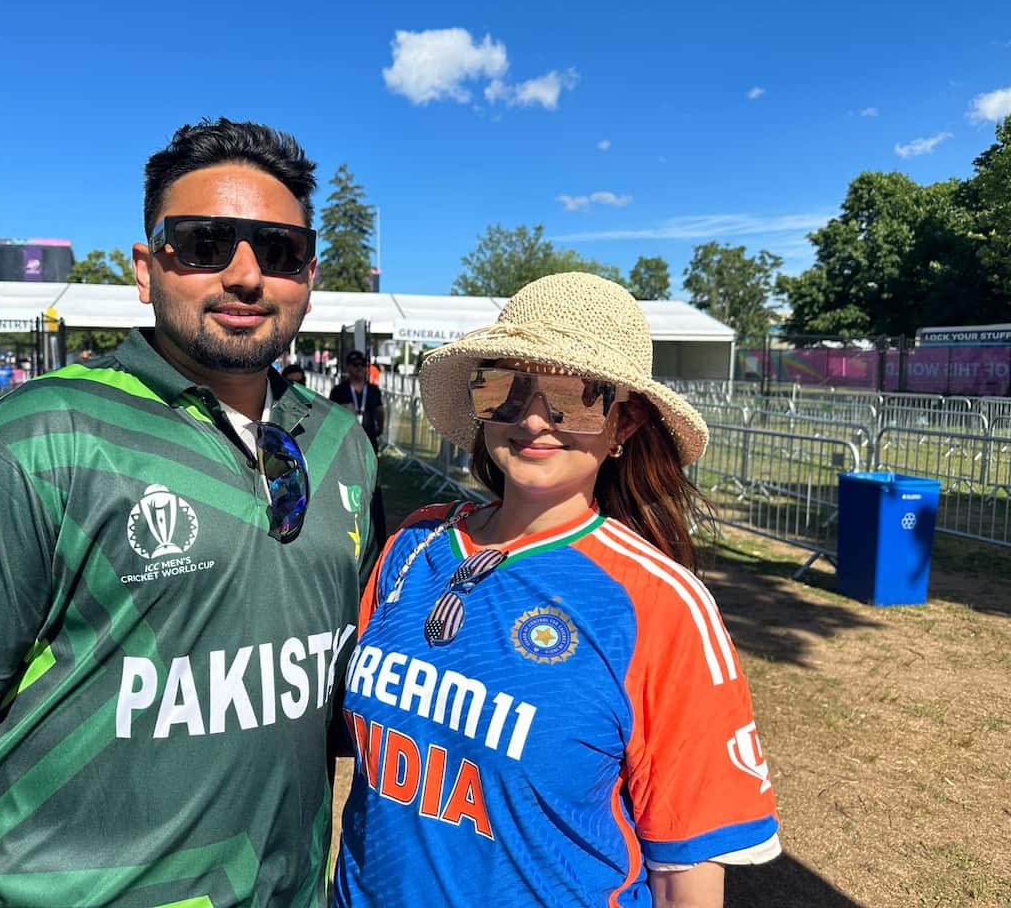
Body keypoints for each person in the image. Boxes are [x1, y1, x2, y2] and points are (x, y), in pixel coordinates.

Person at [0, 119, 380, 908]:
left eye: (277, 251)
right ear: (147, 268)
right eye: (204, 243)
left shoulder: (345, 445)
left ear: (308, 272)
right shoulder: (38, 438)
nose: (245, 275)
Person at [334, 273, 780, 908]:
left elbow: (687, 871)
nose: (534, 417)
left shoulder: (663, 606)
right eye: (505, 387)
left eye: (575, 396)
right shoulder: (415, 542)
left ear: (623, 426)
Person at [330, 349, 387, 547]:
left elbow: (380, 411)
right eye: (356, 365)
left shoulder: (372, 391)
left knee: (373, 490)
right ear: (348, 367)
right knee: (349, 489)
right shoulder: (340, 391)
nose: (360, 369)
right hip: (346, 448)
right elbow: (331, 418)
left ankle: (377, 536)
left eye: (363, 365)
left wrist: (380, 428)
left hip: (369, 445)